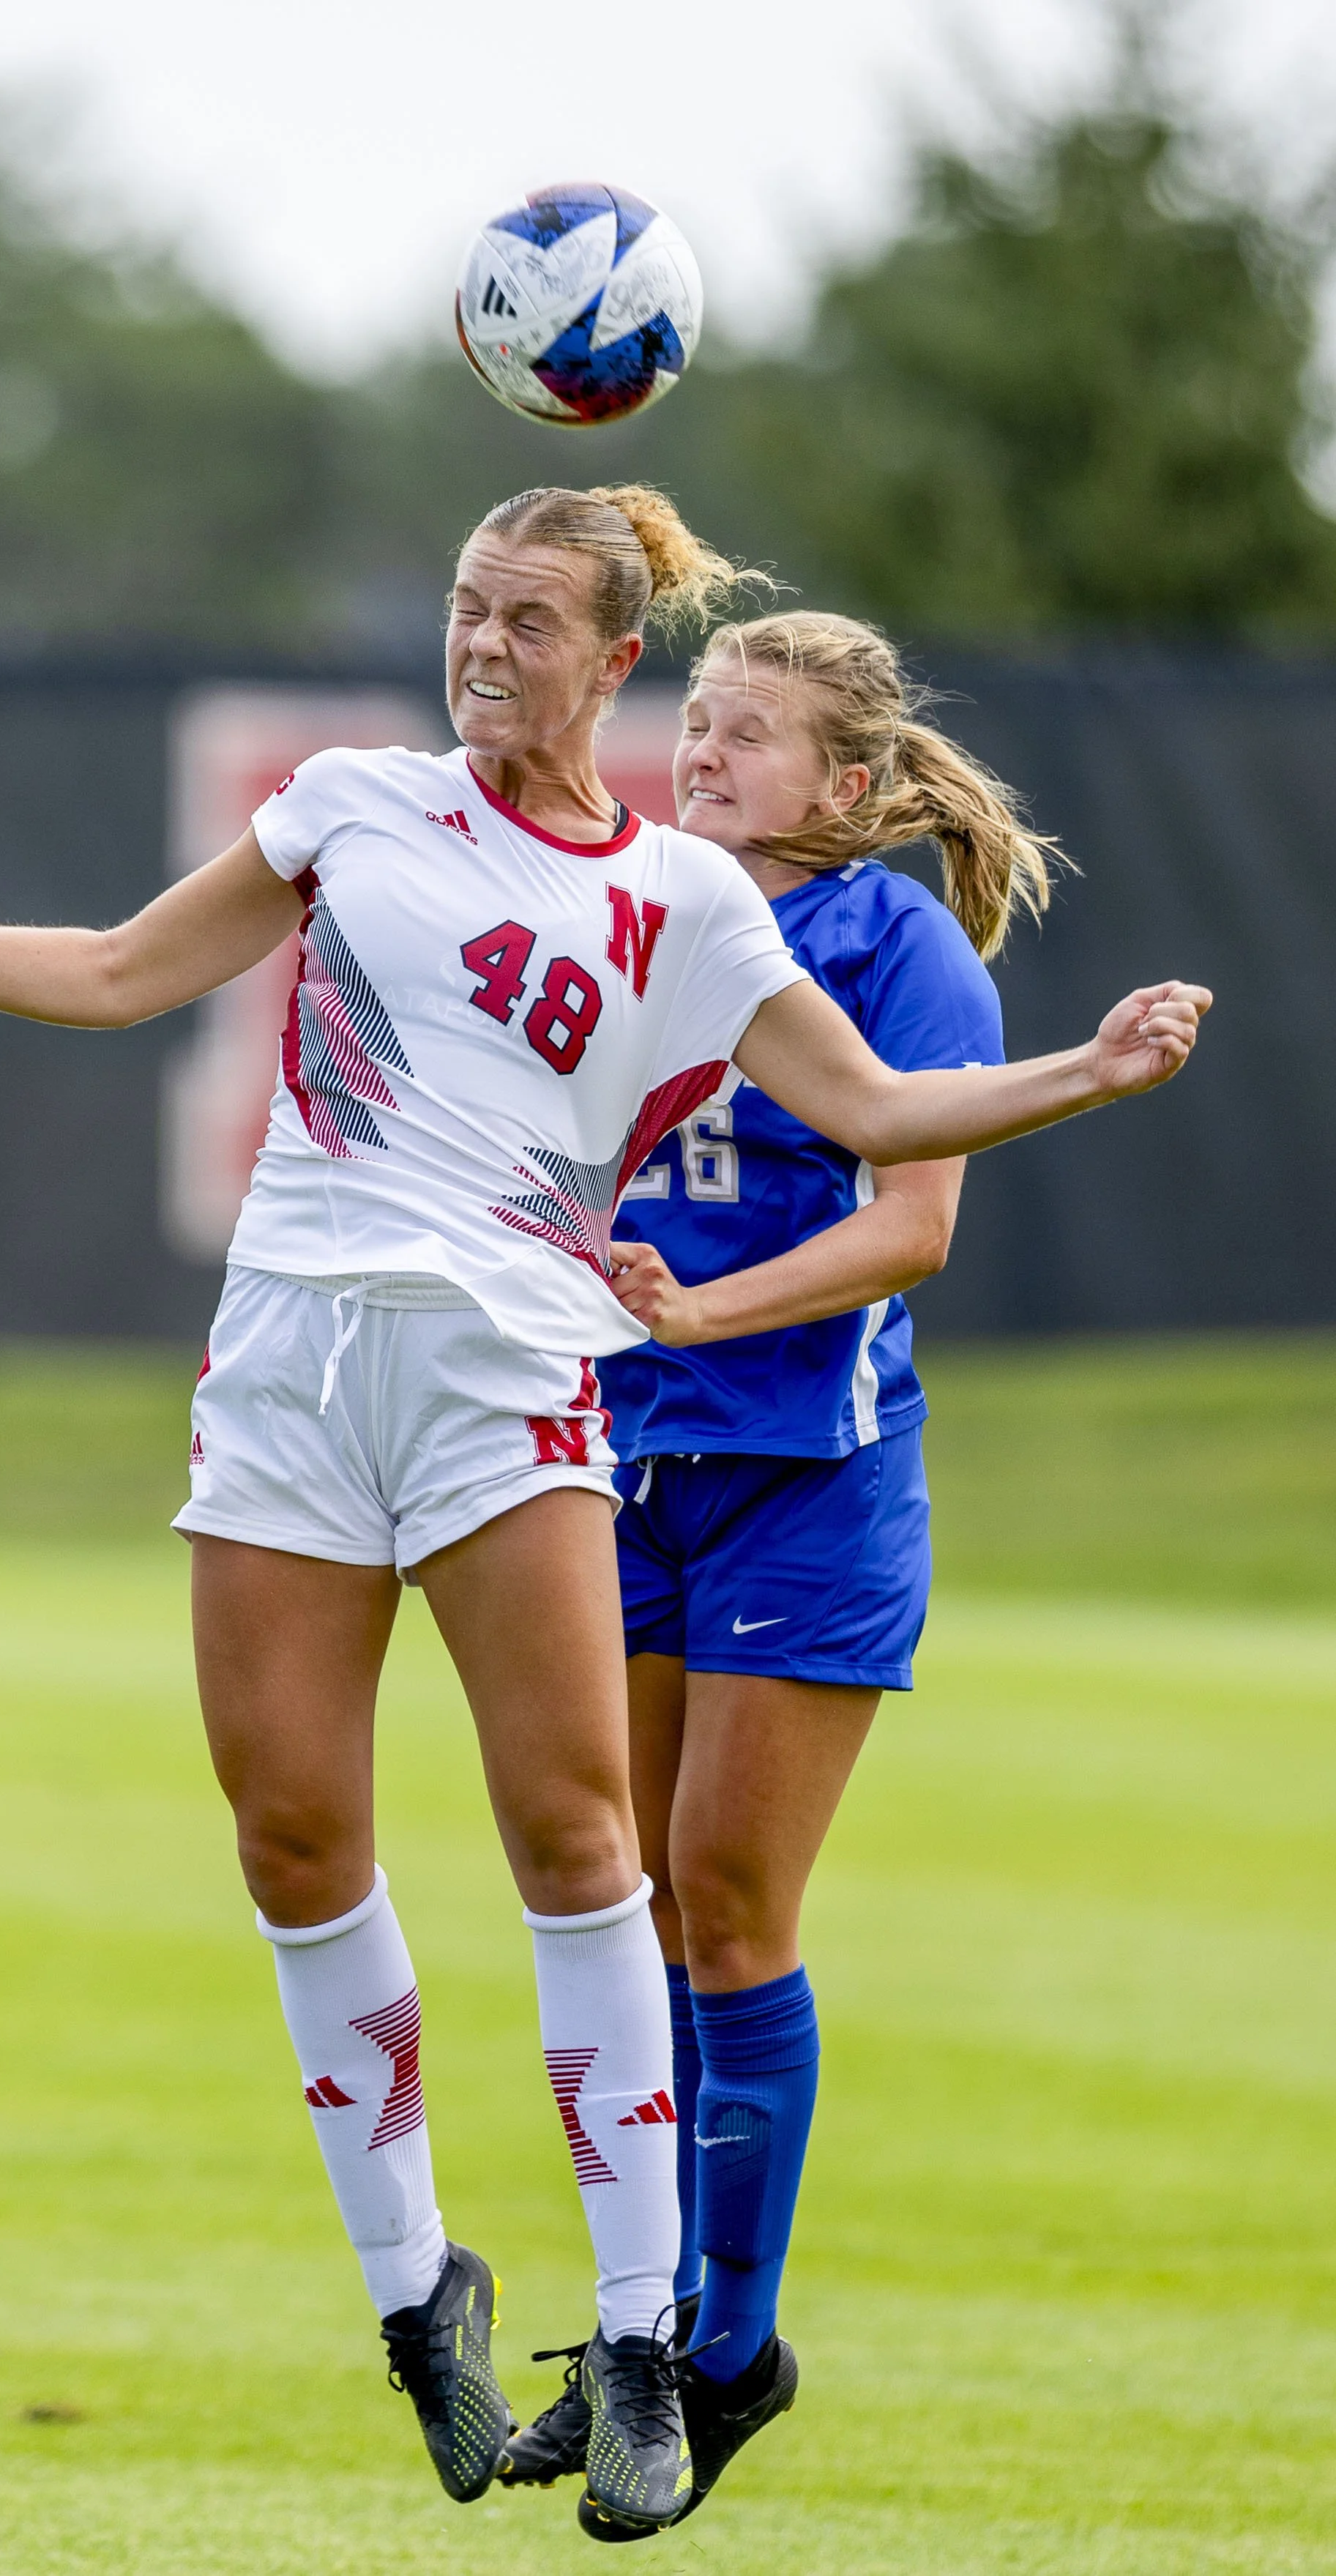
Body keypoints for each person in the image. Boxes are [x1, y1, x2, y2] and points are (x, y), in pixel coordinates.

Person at [0, 488, 1209, 2546]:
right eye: (463, 609)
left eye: (528, 619)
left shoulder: (687, 895)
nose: (484, 645)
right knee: (293, 1834)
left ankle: (635, 2348)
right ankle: (423, 2290)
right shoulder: (353, 804)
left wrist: (1089, 1074)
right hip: (290, 1380)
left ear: (615, 659)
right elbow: (115, 970)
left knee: (585, 1846)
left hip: (514, 1387)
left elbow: (873, 1116)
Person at [496, 608, 1065, 2526]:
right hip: (618, 1460)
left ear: (848, 786)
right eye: (699, 717)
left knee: (729, 1907)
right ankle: (648, 2335)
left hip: (808, 1479)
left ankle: (734, 2344)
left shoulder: (890, 944)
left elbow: (916, 1223)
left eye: (753, 734)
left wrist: (702, 1302)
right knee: (628, 1909)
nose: (704, 750)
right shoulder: (624, 897)